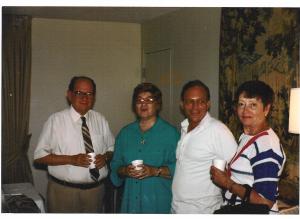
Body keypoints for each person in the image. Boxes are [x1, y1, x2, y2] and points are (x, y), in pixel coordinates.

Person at [34, 76, 114, 213]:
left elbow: (111, 148)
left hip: (95, 192)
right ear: (69, 95)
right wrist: (71, 159)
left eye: (89, 94)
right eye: (79, 93)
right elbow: (39, 157)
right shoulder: (55, 121)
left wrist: (105, 157)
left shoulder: (100, 119)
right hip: (63, 193)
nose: (85, 97)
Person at [210, 80, 286, 214]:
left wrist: (227, 183)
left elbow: (265, 203)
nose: (245, 111)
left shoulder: (266, 147)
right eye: (241, 104)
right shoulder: (247, 135)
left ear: (266, 109)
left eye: (253, 105)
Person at [110, 82, 180, 213]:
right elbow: (115, 165)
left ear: (157, 104)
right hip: (130, 204)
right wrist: (124, 170)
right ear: (134, 105)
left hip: (159, 204)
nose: (143, 104)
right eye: (139, 100)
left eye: (149, 100)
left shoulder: (171, 134)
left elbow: (181, 167)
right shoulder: (125, 133)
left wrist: (155, 171)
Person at [171, 80, 237, 213]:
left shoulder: (217, 130)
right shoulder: (185, 127)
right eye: (190, 101)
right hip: (177, 208)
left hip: (204, 210)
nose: (195, 107)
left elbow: (238, 168)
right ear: (182, 105)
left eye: (200, 102)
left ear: (208, 104)